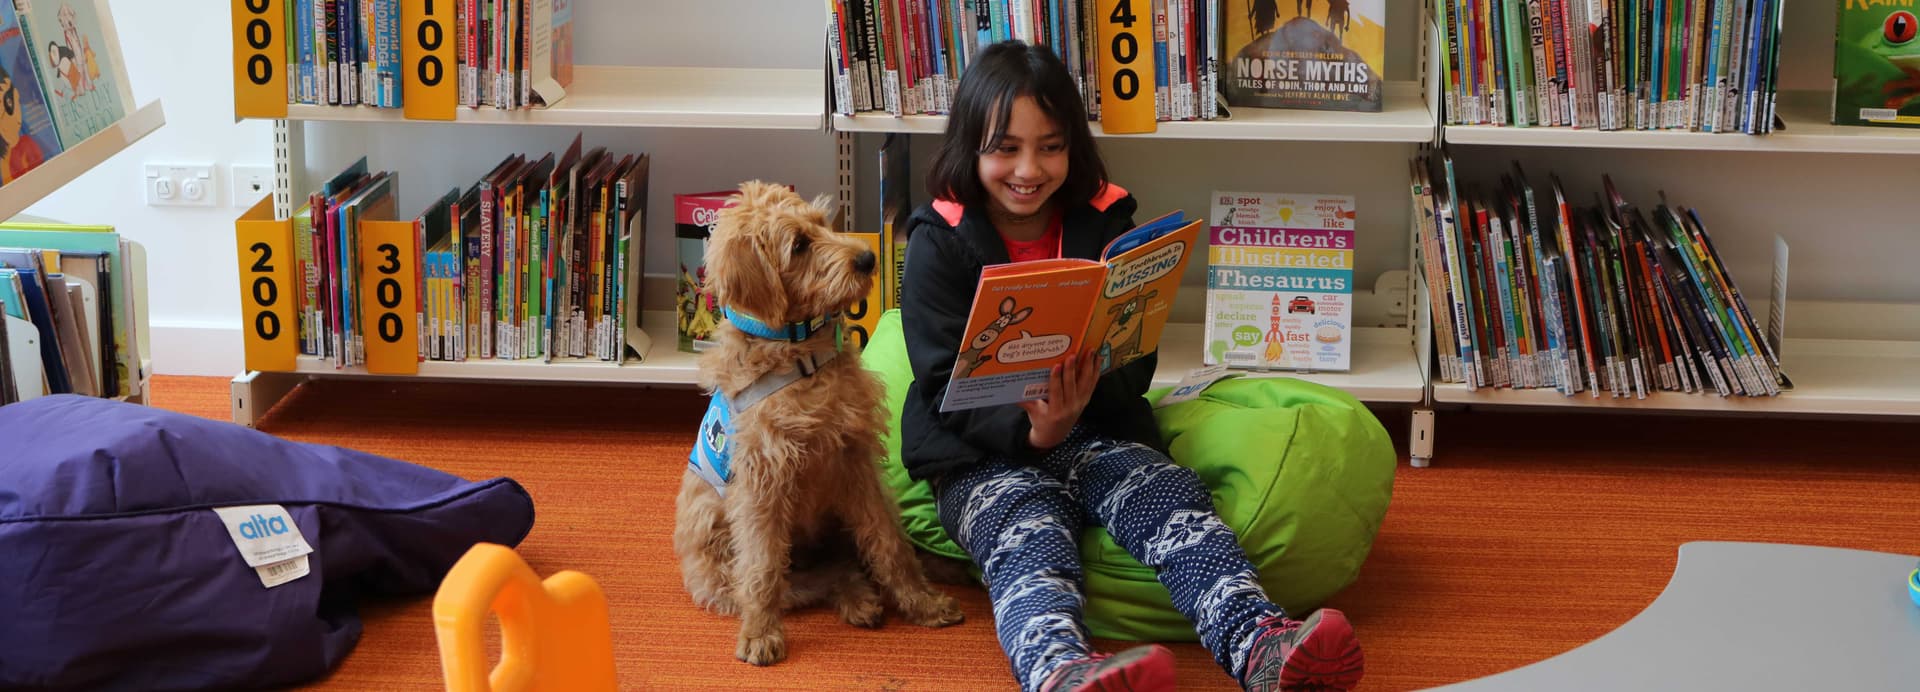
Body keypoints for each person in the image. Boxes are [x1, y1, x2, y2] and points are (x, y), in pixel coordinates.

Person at [897, 40, 1365, 692]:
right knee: (1028, 531)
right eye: (1005, 147)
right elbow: (944, 383)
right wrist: (1034, 433)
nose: (1028, 168)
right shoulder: (935, 240)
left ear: (1073, 147)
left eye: (1051, 146)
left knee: (1166, 496)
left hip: (1096, 427)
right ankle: (1063, 673)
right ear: (969, 148)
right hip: (979, 454)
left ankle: (1262, 644)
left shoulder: (1107, 217)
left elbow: (1134, 352)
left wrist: (1079, 406)